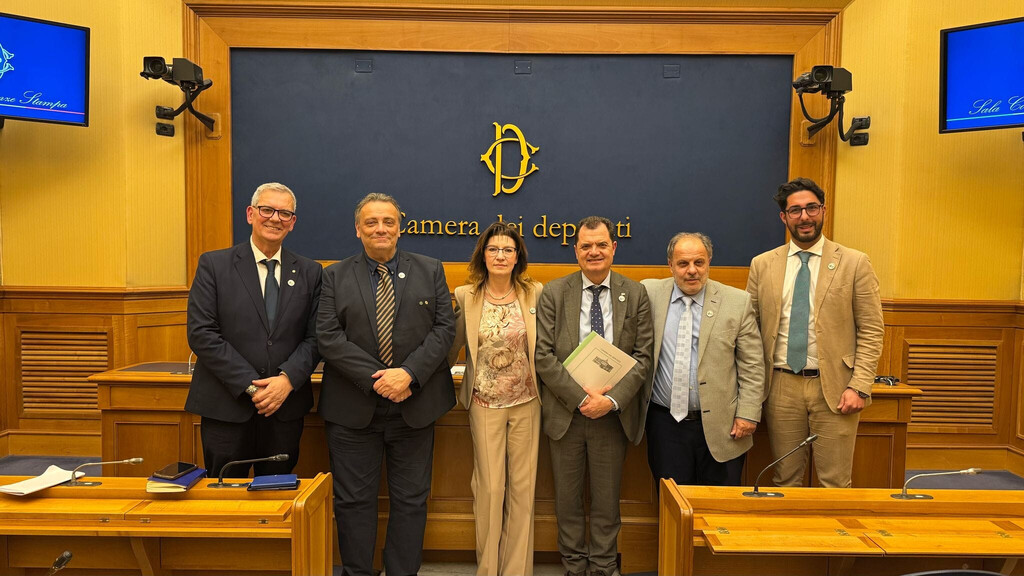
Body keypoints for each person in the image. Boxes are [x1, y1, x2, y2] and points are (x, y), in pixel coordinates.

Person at [317, 193, 456, 576]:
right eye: (372, 222)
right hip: (352, 410)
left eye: (388, 221)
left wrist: (408, 374)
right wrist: (380, 379)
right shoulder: (334, 275)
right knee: (352, 501)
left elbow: (444, 330)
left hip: (415, 406)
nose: (381, 228)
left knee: (411, 501)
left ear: (399, 227)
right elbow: (328, 337)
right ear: (357, 229)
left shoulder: (430, 269)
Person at [534, 216, 654, 576]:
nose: (594, 252)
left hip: (612, 416)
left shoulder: (635, 293)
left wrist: (610, 401)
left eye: (601, 244)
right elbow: (543, 356)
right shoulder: (555, 292)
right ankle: (573, 564)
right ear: (576, 251)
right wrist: (580, 398)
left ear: (614, 248)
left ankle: (602, 565)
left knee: (606, 500)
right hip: (566, 415)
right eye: (586, 246)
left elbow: (643, 357)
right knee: (567, 500)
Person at [746, 177, 884, 488]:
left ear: (823, 210)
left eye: (811, 208)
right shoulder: (762, 265)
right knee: (785, 480)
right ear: (784, 217)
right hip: (780, 387)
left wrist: (860, 386)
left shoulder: (854, 263)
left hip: (836, 387)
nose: (804, 217)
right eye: (795, 211)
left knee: (835, 482)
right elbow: (749, 329)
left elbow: (872, 329)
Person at [186, 182, 322, 477]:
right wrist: (251, 386)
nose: (275, 218)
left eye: (284, 213)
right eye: (267, 210)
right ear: (250, 214)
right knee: (224, 493)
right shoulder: (214, 265)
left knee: (276, 493)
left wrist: (286, 381)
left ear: (292, 222)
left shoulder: (310, 272)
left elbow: (316, 337)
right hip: (227, 406)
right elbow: (202, 333)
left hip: (283, 409)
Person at [449, 221, 544, 576]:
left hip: (527, 402)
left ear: (518, 256)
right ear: (483, 255)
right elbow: (451, 346)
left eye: (508, 249)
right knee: (490, 489)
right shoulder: (465, 295)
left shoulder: (534, 293)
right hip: (484, 403)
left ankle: (516, 570)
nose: (500, 255)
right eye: (493, 249)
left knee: (523, 489)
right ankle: (488, 569)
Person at [641, 232, 763, 486]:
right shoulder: (649, 293)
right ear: (670, 265)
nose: (692, 271)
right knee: (673, 502)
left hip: (724, 425)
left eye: (699, 262)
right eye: (683, 263)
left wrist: (748, 413)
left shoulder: (737, 302)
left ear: (709, 262)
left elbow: (752, 365)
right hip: (665, 425)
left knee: (719, 504)